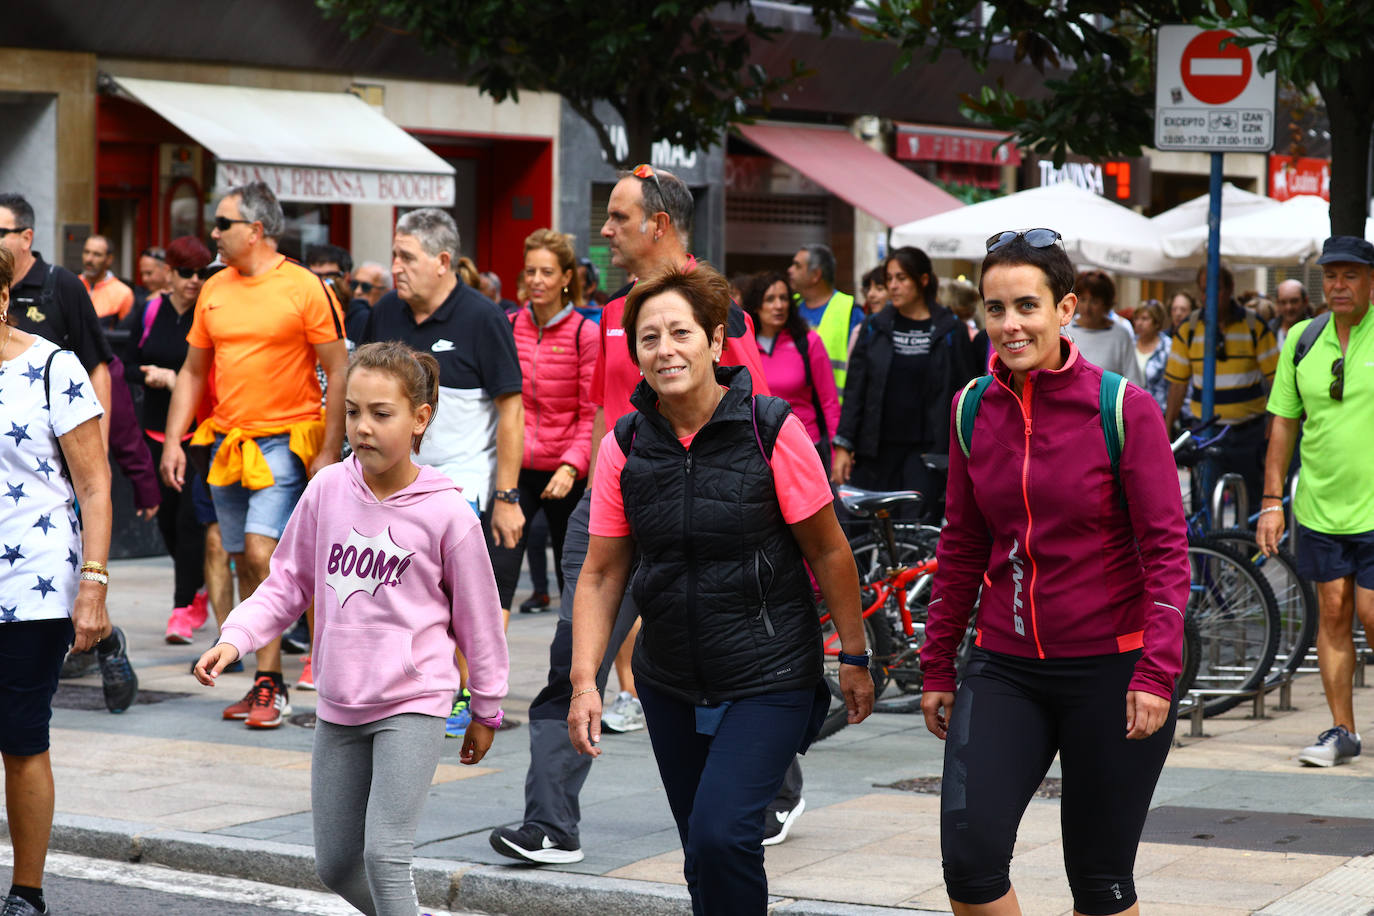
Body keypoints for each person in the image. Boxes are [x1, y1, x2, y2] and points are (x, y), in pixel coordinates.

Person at [489, 164, 776, 865]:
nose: (606, 231)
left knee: (730, 660)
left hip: (708, 503)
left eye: (618, 217)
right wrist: (585, 480)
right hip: (614, 501)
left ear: (661, 224)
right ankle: (551, 823)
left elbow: (762, 419)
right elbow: (601, 409)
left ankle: (773, 782)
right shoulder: (614, 314)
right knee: (571, 656)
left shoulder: (718, 310)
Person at [567, 262, 874, 914]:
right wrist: (583, 680)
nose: (664, 349)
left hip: (770, 673)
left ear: (713, 341)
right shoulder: (625, 444)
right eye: (649, 338)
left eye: (680, 332)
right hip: (670, 678)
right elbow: (600, 573)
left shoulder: (770, 428)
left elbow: (828, 548)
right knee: (701, 854)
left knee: (723, 834)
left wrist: (853, 654)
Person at [921, 227, 1189, 916]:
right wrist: (938, 664)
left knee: (1100, 884)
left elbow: (1166, 552)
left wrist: (1157, 671)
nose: (1010, 324)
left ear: (1065, 309)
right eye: (995, 307)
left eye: (1027, 306)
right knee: (970, 861)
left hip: (1114, 669)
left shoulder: (1123, 409)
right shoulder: (971, 409)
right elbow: (961, 544)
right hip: (1005, 665)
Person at [194, 341, 508, 916]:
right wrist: (233, 638)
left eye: (381, 414)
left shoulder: (449, 513)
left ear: (420, 418)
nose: (363, 427)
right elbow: (287, 582)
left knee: (386, 859)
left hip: (413, 702)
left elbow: (480, 623)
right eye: (353, 412)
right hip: (339, 703)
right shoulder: (327, 490)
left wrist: (486, 708)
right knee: (336, 865)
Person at [159, 181, 348, 730]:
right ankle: (268, 679)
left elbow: (338, 370)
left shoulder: (305, 287)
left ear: (256, 230)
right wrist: (175, 439)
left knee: (265, 553)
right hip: (226, 444)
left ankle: (288, 679)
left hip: (286, 442)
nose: (213, 233)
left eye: (222, 224)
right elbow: (194, 371)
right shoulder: (215, 288)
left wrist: (329, 448)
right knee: (242, 556)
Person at [360, 208, 524, 737]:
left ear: (443, 261)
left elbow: (511, 410)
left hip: (462, 484)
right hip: (392, 483)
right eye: (394, 256)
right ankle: (404, 688)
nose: (395, 268)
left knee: (459, 601)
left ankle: (466, 697)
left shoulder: (483, 318)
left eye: (406, 257)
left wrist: (507, 494)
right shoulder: (384, 312)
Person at [0, 244, 118, 916]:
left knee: (20, 738)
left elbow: (95, 483)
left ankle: (27, 891)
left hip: (33, 586)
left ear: (3, 297)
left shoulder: (51, 368)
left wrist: (93, 583)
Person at [1257, 236, 1374, 768]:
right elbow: (1283, 422)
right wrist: (1272, 499)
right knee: (1332, 612)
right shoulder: (1303, 340)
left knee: (1372, 614)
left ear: (1370, 280)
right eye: (1330, 276)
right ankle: (1342, 732)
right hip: (1321, 508)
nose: (1338, 285)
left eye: (1350, 275)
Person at [492, 229, 597, 623]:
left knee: (575, 580)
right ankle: (483, 683)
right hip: (514, 469)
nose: (537, 280)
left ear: (567, 277)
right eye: (531, 271)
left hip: (563, 473)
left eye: (547, 272)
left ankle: (574, 677)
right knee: (497, 576)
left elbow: (591, 412)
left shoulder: (585, 334)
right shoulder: (507, 325)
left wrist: (572, 465)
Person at [831, 245, 979, 517]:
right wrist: (843, 446)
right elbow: (855, 391)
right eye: (889, 279)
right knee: (866, 532)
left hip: (927, 455)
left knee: (916, 537)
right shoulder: (874, 327)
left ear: (922, 280)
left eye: (902, 278)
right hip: (874, 453)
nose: (893, 286)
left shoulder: (951, 331)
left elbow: (966, 395)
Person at [127, 236, 216, 644]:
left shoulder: (209, 313)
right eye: (185, 273)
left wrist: (178, 379)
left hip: (199, 433)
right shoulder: (149, 311)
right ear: (169, 273)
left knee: (188, 521)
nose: (194, 281)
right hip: (154, 432)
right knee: (163, 517)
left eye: (201, 273)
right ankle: (197, 586)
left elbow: (210, 372)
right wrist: (149, 374)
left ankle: (182, 607)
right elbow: (123, 362)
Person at [1164, 262, 1279, 506]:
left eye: (1216, 289)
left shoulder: (1254, 325)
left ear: (1230, 289)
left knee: (1252, 502)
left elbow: (1277, 380)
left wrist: (1273, 424)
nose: (1209, 296)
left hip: (1250, 433)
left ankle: (1249, 545)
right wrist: (1166, 433)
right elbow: (1177, 386)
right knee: (1204, 503)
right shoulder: (1188, 329)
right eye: (1204, 290)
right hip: (1207, 433)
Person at [743, 271, 840, 468]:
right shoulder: (744, 346)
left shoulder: (808, 342)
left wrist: (837, 452)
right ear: (756, 305)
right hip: (758, 451)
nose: (779, 305)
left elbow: (830, 402)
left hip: (805, 447)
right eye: (770, 299)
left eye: (784, 298)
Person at [787, 244, 863, 394]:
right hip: (796, 409)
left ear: (816, 275)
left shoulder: (850, 310)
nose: (790, 270)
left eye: (797, 266)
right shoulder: (789, 307)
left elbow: (860, 368)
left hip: (834, 408)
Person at [1070, 270, 1144, 386]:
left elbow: (1134, 382)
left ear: (1106, 304)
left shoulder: (1120, 335)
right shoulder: (1064, 330)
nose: (1087, 307)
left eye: (1094, 302)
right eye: (1083, 299)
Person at [79, 234, 134, 326]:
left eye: (97, 254)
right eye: (86, 252)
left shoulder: (123, 293)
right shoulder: (70, 284)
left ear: (109, 259)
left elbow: (125, 334)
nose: (89, 259)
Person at [1132, 298, 1171, 413]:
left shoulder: (1168, 347)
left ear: (1157, 322)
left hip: (1158, 411)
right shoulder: (1130, 344)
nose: (1139, 323)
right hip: (1131, 409)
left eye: (1145, 319)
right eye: (1136, 318)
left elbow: (1172, 387)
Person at [1273, 278, 1311, 348]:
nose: (1289, 307)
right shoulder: (1268, 331)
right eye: (1283, 302)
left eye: (1294, 301)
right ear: (1277, 303)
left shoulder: (1317, 331)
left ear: (1305, 301)